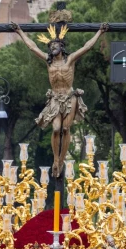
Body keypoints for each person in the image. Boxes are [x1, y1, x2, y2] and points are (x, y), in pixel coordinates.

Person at [11, 19, 108, 177]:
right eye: (50, 46)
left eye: (55, 46)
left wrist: (100, 32)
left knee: (65, 128)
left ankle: (61, 160)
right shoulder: (48, 62)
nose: (52, 48)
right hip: (55, 99)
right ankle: (56, 160)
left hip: (70, 98)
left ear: (61, 47)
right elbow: (32, 46)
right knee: (56, 129)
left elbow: (87, 46)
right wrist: (19, 31)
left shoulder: (70, 60)